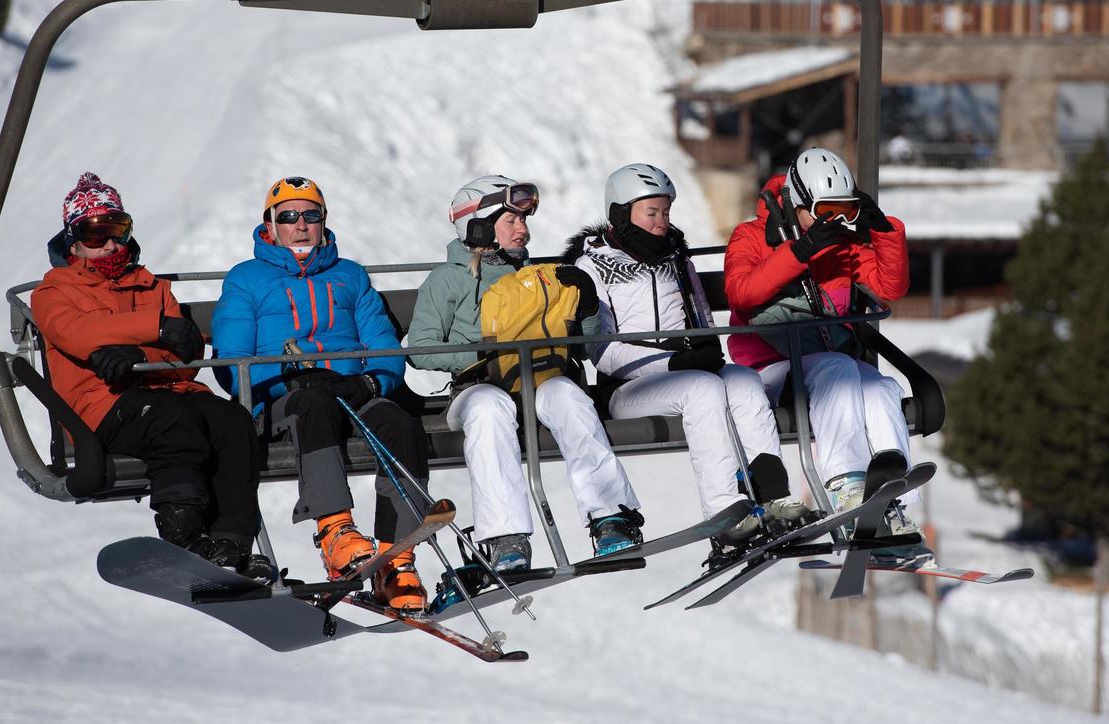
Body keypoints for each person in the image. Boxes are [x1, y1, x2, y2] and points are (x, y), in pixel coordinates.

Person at [33, 173, 271, 578]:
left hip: (171, 389)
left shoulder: (151, 286)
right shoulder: (55, 292)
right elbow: (78, 334)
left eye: (117, 231)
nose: (109, 245)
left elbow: (184, 353)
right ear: (73, 241)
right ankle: (185, 537)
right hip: (100, 406)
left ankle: (232, 542)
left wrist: (135, 353)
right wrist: (156, 330)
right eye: (95, 236)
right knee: (172, 423)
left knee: (232, 421)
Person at [563, 163, 810, 550]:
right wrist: (674, 363)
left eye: (666, 212)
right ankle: (725, 513)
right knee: (702, 389)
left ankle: (772, 496)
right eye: (651, 213)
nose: (662, 222)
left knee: (744, 380)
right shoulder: (592, 267)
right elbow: (602, 351)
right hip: (627, 388)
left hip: (685, 372)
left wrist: (706, 348)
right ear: (620, 213)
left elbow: (702, 319)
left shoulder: (676, 259)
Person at [211, 176, 430, 610]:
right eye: (288, 216)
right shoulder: (246, 280)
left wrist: (368, 382)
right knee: (313, 405)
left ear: (324, 220)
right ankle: (336, 534)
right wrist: (284, 377)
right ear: (270, 225)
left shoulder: (349, 276)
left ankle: (396, 560)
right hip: (285, 399)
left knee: (401, 425)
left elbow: (383, 344)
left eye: (310, 215)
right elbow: (231, 359)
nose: (300, 224)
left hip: (352, 392)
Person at [407, 175, 643, 573]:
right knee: (489, 408)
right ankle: (505, 536)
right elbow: (421, 348)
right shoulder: (448, 279)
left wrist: (585, 307)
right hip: (479, 387)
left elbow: (581, 347)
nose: (524, 230)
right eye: (511, 221)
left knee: (569, 396)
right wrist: (479, 356)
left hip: (538, 380)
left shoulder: (542, 277)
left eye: (524, 220)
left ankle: (610, 516)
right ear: (478, 225)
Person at [724, 147, 930, 564]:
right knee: (839, 368)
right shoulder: (751, 236)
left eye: (846, 209)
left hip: (826, 366)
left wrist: (883, 230)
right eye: (826, 209)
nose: (835, 220)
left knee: (881, 386)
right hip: (768, 368)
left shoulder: (843, 243)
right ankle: (845, 485)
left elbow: (890, 289)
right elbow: (741, 292)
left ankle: (888, 499)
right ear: (798, 203)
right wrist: (799, 253)